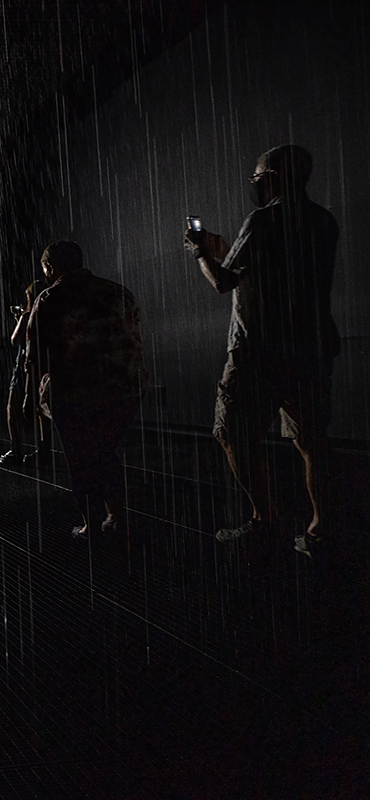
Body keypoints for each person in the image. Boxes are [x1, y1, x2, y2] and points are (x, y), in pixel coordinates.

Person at [184, 145, 339, 554]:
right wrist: (226, 246)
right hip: (310, 344)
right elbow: (273, 268)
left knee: (233, 433)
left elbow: (223, 282)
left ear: (272, 176)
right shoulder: (323, 220)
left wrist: (202, 253)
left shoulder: (262, 219)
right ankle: (321, 529)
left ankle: (265, 520)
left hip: (257, 349)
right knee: (311, 440)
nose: (253, 184)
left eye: (256, 178)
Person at [25, 241, 145, 536]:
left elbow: (34, 354)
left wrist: (31, 396)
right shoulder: (118, 292)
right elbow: (134, 337)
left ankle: (91, 524)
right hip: (124, 389)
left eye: (45, 270)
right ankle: (115, 517)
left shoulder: (50, 298)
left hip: (75, 393)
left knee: (80, 459)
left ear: (50, 268)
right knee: (105, 451)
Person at [0, 280, 50, 467]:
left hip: (24, 366)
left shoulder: (30, 313)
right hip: (45, 366)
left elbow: (15, 339)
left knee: (13, 407)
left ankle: (16, 449)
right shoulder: (49, 312)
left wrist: (20, 320)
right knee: (42, 410)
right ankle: (45, 451)